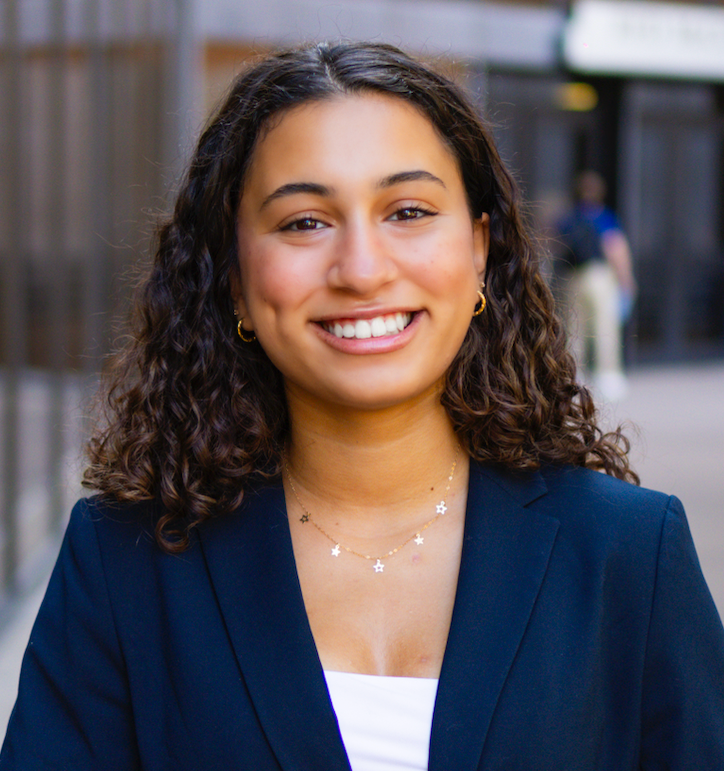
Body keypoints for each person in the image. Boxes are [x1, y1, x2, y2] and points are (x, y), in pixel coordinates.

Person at [2, 42, 723, 770]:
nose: (362, 270)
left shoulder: (629, 554)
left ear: (480, 250)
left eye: (407, 211)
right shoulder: (125, 560)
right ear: (234, 278)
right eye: (305, 222)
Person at [555, 170, 636, 402]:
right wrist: (626, 280)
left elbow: (555, 245)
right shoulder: (604, 217)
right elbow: (615, 248)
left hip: (572, 278)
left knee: (574, 328)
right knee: (604, 326)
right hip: (599, 276)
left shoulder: (569, 217)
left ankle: (573, 374)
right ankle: (608, 374)